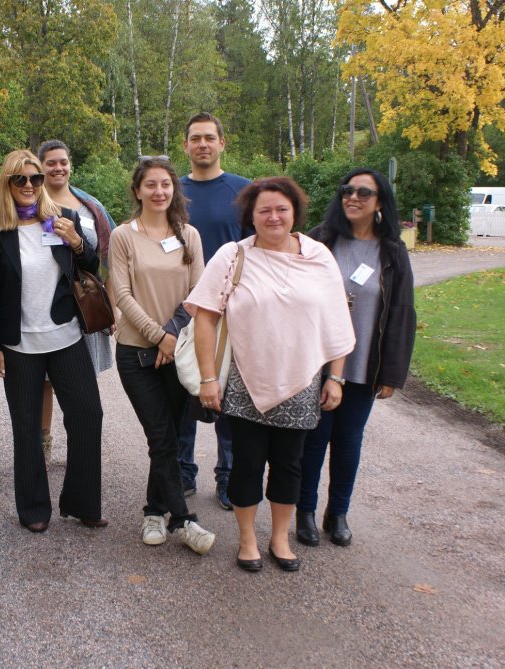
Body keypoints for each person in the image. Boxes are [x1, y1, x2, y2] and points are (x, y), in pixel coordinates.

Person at [184, 177, 355, 572]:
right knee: (246, 463)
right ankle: (247, 540)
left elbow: (337, 320)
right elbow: (206, 319)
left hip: (302, 380)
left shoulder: (318, 256)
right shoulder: (232, 256)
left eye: (281, 209)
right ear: (251, 215)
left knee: (289, 464)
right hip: (246, 379)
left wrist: (336, 377)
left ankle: (279, 538)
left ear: (295, 212)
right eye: (264, 210)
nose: (273, 216)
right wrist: (209, 379)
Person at [0, 149, 106, 533]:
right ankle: (34, 508)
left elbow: (91, 266)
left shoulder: (64, 219)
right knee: (26, 427)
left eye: (35, 179)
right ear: (7, 184)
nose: (29, 186)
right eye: (19, 180)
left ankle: (83, 501)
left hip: (65, 334)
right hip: (19, 343)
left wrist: (76, 243)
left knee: (88, 414)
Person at [297, 169, 416, 547]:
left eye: (364, 193)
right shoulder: (320, 240)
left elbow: (401, 312)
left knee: (348, 441)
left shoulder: (392, 251)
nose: (353, 197)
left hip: (364, 362)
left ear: (380, 203)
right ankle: (305, 512)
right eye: (347, 190)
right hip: (318, 363)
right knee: (314, 441)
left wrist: (393, 374)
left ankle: (339, 513)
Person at [109, 157, 215, 555]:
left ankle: (154, 512)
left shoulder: (188, 234)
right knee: (160, 435)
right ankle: (185, 520)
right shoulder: (123, 236)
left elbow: (199, 290)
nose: (159, 191)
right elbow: (122, 294)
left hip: (179, 351)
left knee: (168, 438)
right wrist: (158, 337)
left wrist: (172, 337)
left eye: (166, 184)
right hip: (138, 354)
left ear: (174, 190)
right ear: (137, 191)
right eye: (150, 185)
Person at [177, 112, 252, 511]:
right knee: (186, 389)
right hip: (183, 308)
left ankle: (229, 478)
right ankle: (182, 472)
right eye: (195, 138)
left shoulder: (243, 191)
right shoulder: (170, 191)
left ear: (223, 143)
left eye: (209, 137)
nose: (202, 144)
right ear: (185, 146)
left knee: (229, 398)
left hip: (231, 312)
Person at [37, 139, 117, 465]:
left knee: (80, 381)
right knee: (43, 381)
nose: (58, 168)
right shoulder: (31, 203)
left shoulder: (90, 206)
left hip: (84, 304)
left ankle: (79, 444)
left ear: (70, 164)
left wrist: (110, 305)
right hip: (43, 304)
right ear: (40, 166)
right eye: (51, 162)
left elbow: (111, 258)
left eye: (63, 162)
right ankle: (42, 441)